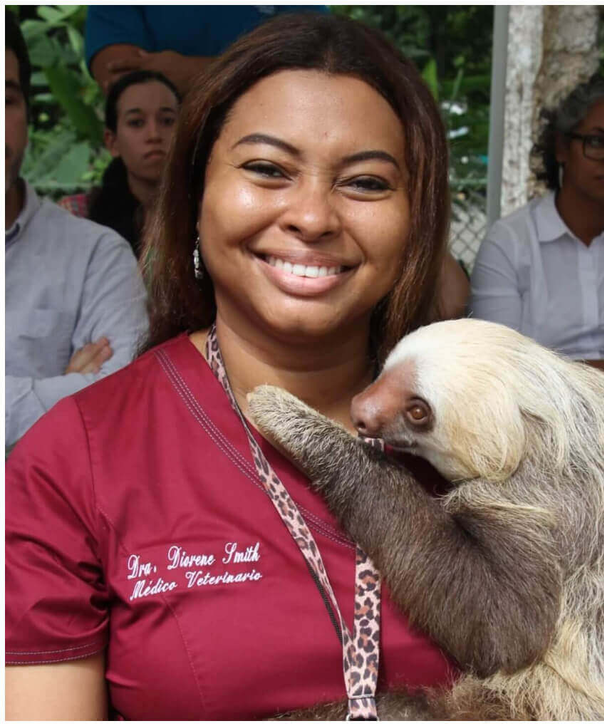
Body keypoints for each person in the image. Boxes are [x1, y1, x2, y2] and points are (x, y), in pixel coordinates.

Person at [6, 14, 457, 719]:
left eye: (365, 183)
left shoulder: (492, 440)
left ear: (416, 220)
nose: (312, 216)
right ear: (195, 196)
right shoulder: (71, 460)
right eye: (267, 170)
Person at [468, 75, 604, 390]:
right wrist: (602, 377)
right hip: (534, 412)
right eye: (598, 142)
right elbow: (501, 363)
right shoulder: (509, 242)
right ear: (561, 148)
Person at [4, 12, 148, 450]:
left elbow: (119, 401)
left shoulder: (94, 255)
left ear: (28, 112)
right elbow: (86, 411)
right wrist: (64, 395)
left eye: (6, 100)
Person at [85, 5, 326, 94]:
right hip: (159, 169)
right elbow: (121, 76)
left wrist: (193, 75)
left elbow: (312, 70)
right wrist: (253, 74)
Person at [87, 70, 180, 257]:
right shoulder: (78, 215)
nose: (154, 135)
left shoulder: (212, 212)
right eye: (137, 123)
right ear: (112, 142)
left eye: (167, 121)